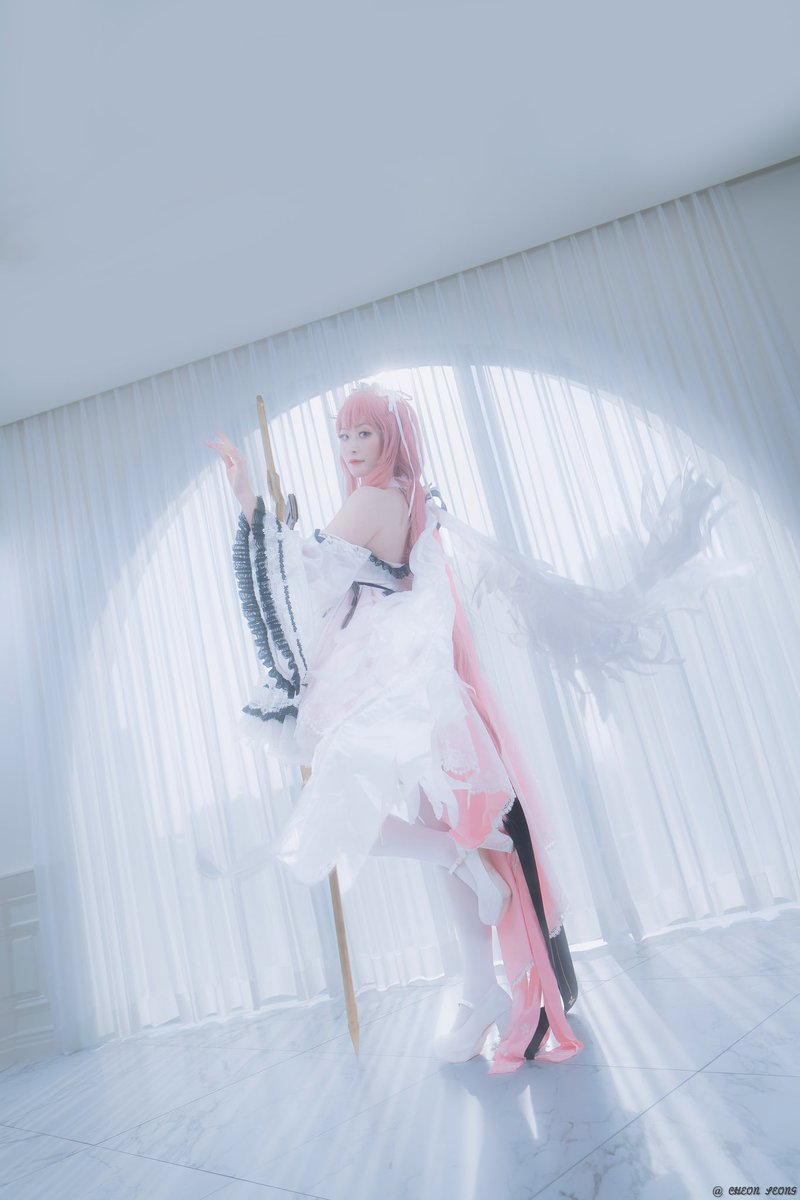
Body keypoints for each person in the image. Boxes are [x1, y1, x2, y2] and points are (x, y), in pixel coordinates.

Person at [207, 381, 749, 1074]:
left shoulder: (374, 499)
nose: (351, 447)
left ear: (390, 439)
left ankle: (458, 875)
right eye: (343, 435)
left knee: (347, 815)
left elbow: (304, 578)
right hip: (417, 680)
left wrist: (247, 498)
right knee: (413, 824)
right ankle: (478, 987)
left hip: (389, 680)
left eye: (364, 434)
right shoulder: (408, 495)